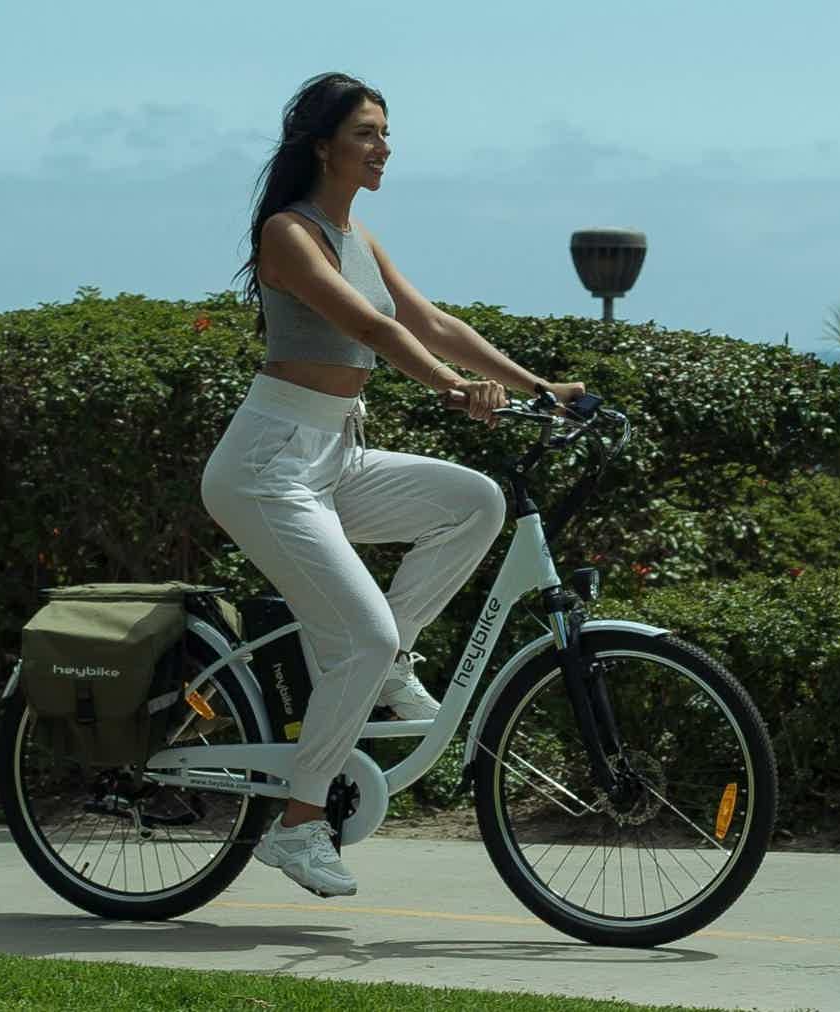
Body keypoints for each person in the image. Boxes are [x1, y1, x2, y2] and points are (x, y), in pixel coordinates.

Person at [200, 72, 586, 898]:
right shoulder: (289, 233)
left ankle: (383, 666)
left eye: (385, 132)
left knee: (473, 503)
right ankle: (299, 825)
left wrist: (540, 388)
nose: (383, 147)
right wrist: (450, 387)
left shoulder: (359, 237)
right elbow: (370, 327)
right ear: (323, 148)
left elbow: (432, 322)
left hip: (334, 454)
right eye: (366, 133)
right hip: (268, 466)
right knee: (362, 637)